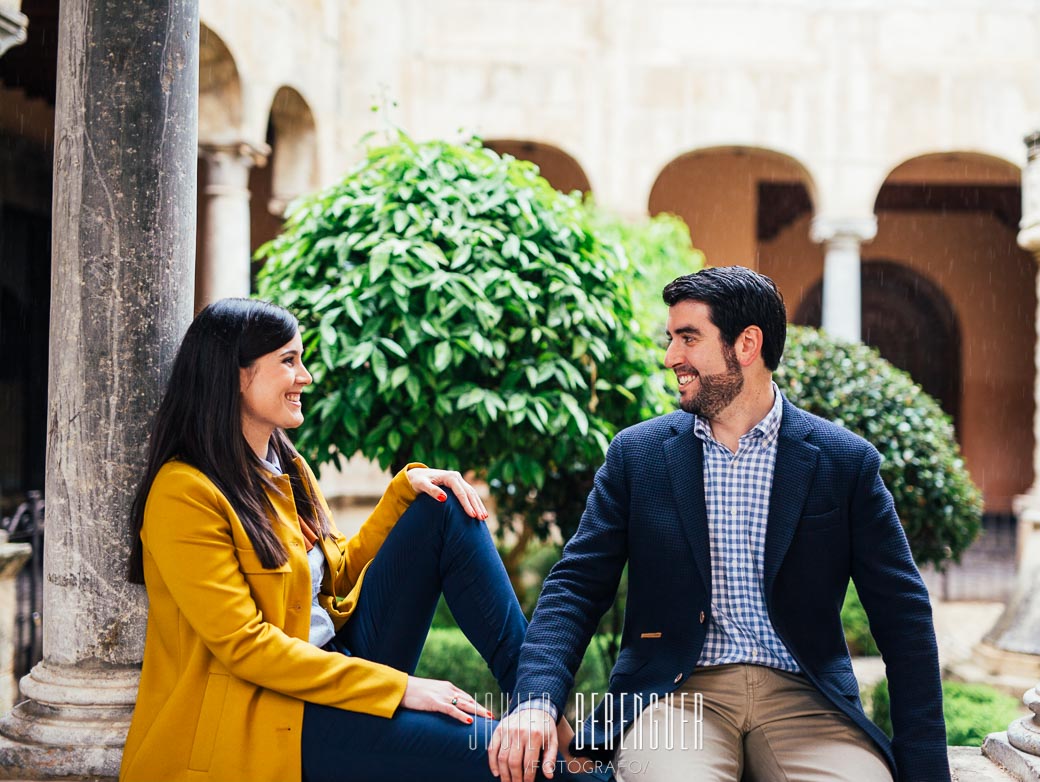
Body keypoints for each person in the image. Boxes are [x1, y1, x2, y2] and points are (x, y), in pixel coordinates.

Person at [490, 266, 949, 782]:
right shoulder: (636, 456)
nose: (671, 358)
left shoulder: (844, 463)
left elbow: (902, 615)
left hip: (808, 703)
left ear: (746, 345)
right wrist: (535, 702)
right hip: (676, 698)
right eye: (672, 339)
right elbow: (575, 587)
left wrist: (926, 763)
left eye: (689, 338)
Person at [120, 298, 584, 782]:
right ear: (235, 374)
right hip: (271, 714)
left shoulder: (285, 465)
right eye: (288, 361)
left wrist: (402, 496)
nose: (306, 376)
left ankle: (538, 701)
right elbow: (247, 647)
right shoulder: (184, 493)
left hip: (334, 668)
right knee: (510, 755)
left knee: (440, 507)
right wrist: (402, 687)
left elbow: (335, 576)